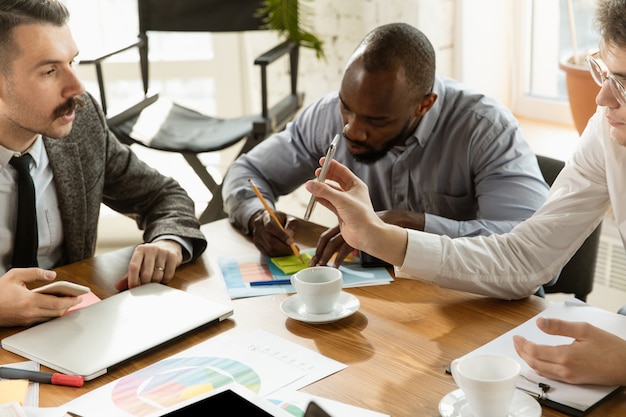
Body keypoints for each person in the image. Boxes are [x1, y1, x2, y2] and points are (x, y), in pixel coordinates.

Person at [304, 0, 626, 386]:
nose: (603, 99)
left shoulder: (484, 125)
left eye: (624, 83)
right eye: (604, 73)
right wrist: (380, 237)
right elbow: (526, 259)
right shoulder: (607, 133)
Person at [222, 22, 549, 267]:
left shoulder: (486, 130)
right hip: (381, 306)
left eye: (377, 121)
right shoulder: (326, 116)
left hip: (475, 307)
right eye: (346, 107)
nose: (352, 130)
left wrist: (411, 227)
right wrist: (256, 217)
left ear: (425, 104)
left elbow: (533, 247)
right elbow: (247, 172)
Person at [0, 0, 207, 327]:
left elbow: (162, 195)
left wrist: (168, 242)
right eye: (50, 70)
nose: (77, 87)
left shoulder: (79, 124)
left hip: (72, 328)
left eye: (72, 62)